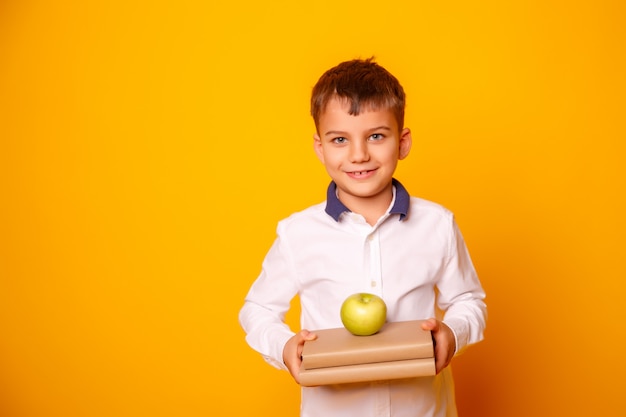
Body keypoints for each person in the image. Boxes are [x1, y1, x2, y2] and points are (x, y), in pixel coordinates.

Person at [239, 57, 487, 417]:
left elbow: (469, 300)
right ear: (320, 148)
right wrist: (283, 346)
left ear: (402, 143)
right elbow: (258, 309)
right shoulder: (298, 233)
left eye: (376, 136)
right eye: (340, 139)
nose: (359, 155)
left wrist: (453, 333)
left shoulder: (438, 224)